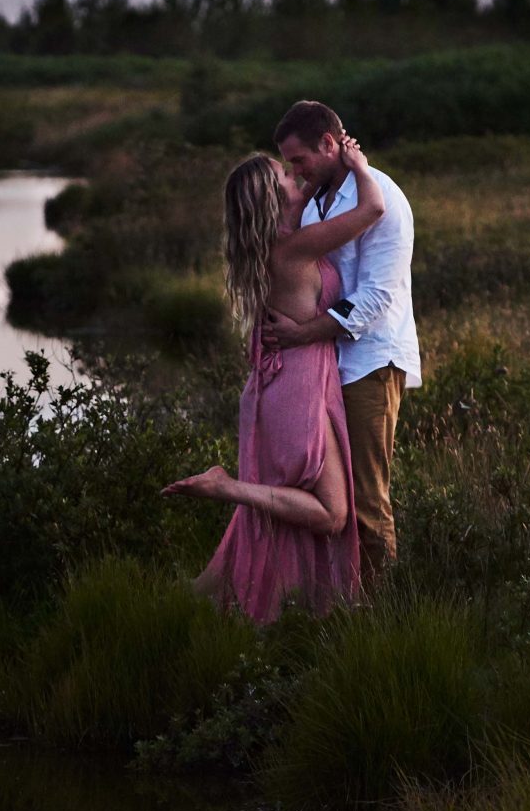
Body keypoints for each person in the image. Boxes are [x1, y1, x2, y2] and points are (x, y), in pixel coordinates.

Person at [163, 133, 389, 624]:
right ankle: (226, 487)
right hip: (297, 388)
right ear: (272, 197)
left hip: (284, 384)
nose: (297, 176)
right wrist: (358, 163)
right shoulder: (293, 248)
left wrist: (315, 177)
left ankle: (205, 606)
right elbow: (372, 209)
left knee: (304, 510)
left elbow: (301, 195)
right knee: (332, 514)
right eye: (286, 174)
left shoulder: (274, 245)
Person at [263, 101, 419, 588]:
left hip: (371, 361)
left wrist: (301, 334)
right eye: (289, 165)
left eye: (300, 160)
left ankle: (381, 611)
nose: (296, 171)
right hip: (329, 365)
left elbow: (377, 296)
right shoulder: (318, 201)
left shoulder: (382, 196)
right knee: (332, 496)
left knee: (369, 499)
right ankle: (336, 598)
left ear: (329, 145)